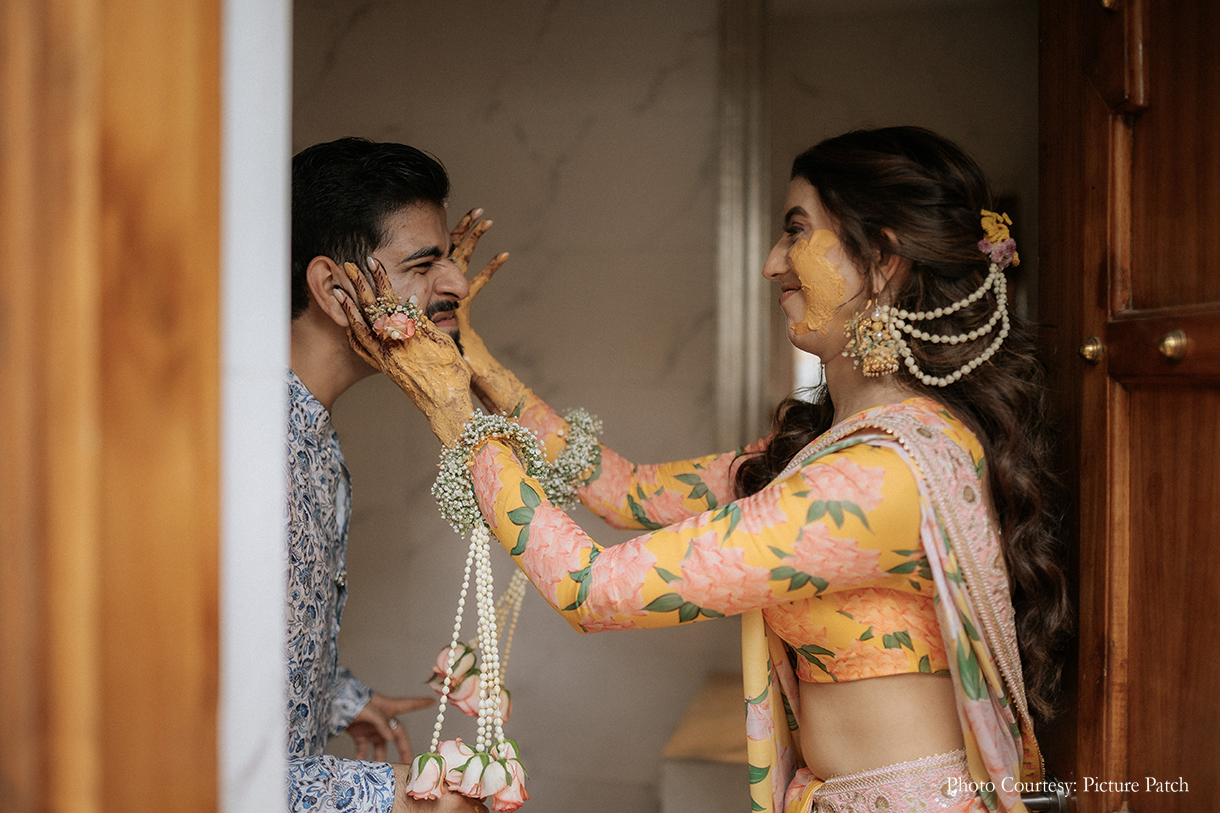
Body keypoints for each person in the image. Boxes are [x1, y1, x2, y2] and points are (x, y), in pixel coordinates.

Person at [336, 127, 1069, 812]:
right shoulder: (838, 448)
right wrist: (472, 360)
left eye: (797, 229)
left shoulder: (884, 475)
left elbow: (590, 588)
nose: (772, 262)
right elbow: (625, 490)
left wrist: (453, 414)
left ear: (883, 259)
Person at [288, 137, 490, 813]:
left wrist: (341, 696)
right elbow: (187, 749)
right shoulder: (242, 457)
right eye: (423, 265)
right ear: (332, 288)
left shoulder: (309, 434)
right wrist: (399, 796)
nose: (456, 285)